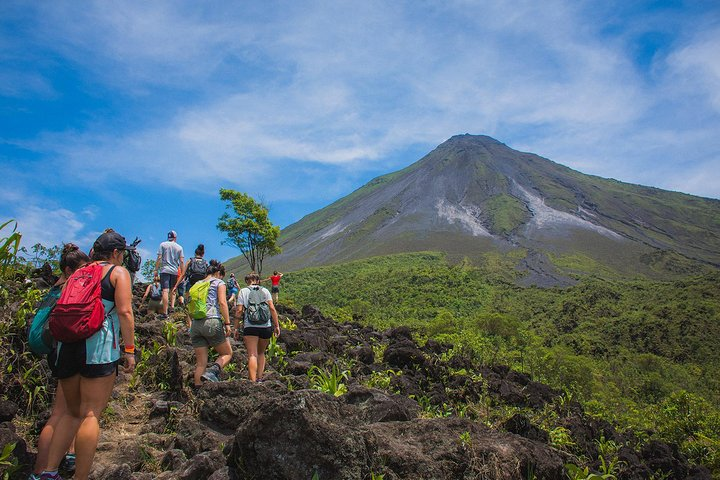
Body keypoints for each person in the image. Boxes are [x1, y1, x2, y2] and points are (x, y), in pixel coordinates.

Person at [40, 231, 136, 480]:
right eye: (122, 254)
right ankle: (80, 476)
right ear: (116, 253)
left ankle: (49, 472)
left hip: (67, 345)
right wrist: (130, 351)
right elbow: (125, 312)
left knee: (70, 413)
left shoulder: (77, 273)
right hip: (98, 347)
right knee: (90, 414)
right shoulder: (117, 273)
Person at [29, 244, 90, 480]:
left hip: (56, 351)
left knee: (68, 411)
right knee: (64, 413)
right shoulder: (71, 288)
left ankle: (52, 463)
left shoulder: (55, 288)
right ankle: (42, 470)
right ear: (68, 269)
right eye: (83, 268)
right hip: (66, 353)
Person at [189, 260, 233, 387]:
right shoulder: (219, 283)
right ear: (218, 273)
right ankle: (213, 371)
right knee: (227, 353)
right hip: (211, 321)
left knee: (201, 363)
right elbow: (223, 303)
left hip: (196, 324)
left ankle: (197, 394)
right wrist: (227, 323)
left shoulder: (197, 284)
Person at [233, 273, 280, 382]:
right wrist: (277, 325)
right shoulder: (265, 291)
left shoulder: (243, 291)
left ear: (247, 281)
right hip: (266, 326)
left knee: (252, 354)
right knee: (261, 353)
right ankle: (259, 378)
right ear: (258, 280)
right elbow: (272, 309)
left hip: (250, 327)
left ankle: (252, 382)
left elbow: (239, 311)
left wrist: (235, 328)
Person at [153, 230, 184, 320]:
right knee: (173, 289)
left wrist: (156, 269)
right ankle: (172, 307)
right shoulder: (179, 248)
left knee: (165, 291)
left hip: (165, 270)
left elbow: (159, 258)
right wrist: (182, 273)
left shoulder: (162, 245)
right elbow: (181, 261)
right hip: (174, 271)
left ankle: (165, 312)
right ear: (175, 237)